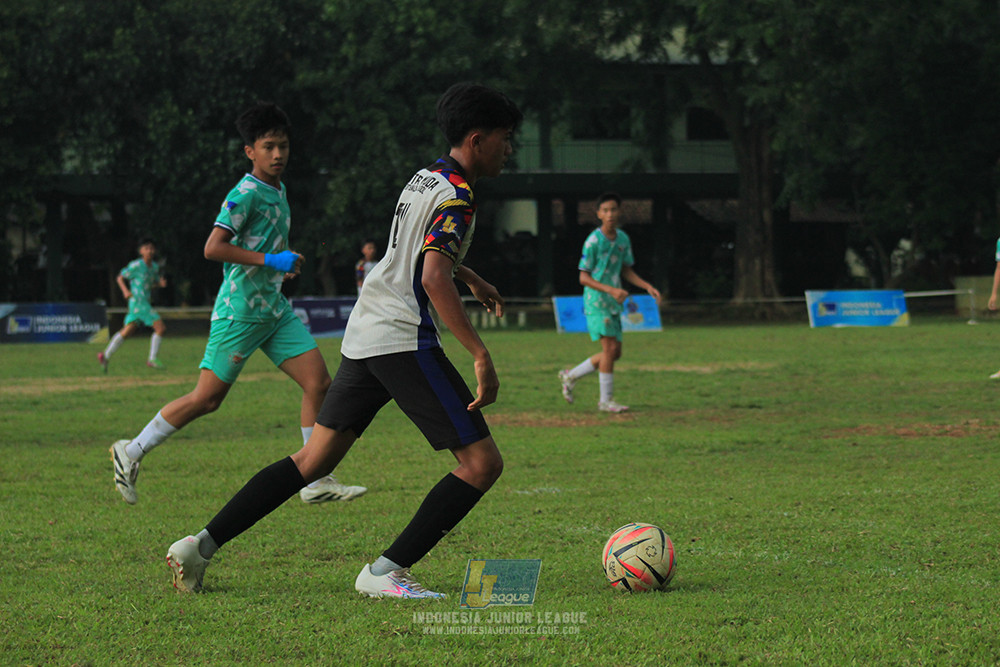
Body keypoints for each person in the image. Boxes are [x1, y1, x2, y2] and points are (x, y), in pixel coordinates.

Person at [164, 82, 521, 599]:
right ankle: (385, 572)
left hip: (366, 330)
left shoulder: (427, 177)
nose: (510, 149)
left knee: (314, 461)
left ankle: (199, 546)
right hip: (401, 337)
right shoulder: (459, 195)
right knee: (482, 464)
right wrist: (480, 353)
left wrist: (470, 276)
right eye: (506, 138)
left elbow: (416, 253)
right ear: (477, 139)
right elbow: (430, 277)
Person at [110, 102, 366, 507]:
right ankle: (131, 450)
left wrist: (281, 267)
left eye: (283, 146)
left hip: (273, 310)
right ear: (250, 151)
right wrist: (272, 261)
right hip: (240, 312)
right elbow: (213, 248)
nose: (278, 154)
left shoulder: (279, 189)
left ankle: (314, 479)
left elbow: (262, 246)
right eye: (268, 147)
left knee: (318, 383)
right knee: (207, 399)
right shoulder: (244, 194)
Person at [558, 192, 662, 412]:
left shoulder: (623, 239)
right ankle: (605, 401)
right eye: (605, 210)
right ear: (598, 214)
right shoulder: (593, 242)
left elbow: (625, 269)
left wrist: (647, 286)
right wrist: (611, 290)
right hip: (597, 302)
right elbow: (583, 277)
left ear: (619, 211)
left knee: (615, 353)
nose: (610, 214)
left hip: (614, 303)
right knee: (609, 350)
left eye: (613, 209)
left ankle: (571, 376)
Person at [98, 238, 168, 371]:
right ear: (141, 251)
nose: (150, 251)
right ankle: (152, 359)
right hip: (138, 302)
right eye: (146, 248)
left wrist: (159, 284)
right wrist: (125, 291)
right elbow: (120, 277)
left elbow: (148, 284)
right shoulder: (136, 265)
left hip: (141, 303)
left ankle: (105, 356)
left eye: (151, 248)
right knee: (160, 328)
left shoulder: (154, 267)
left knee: (127, 331)